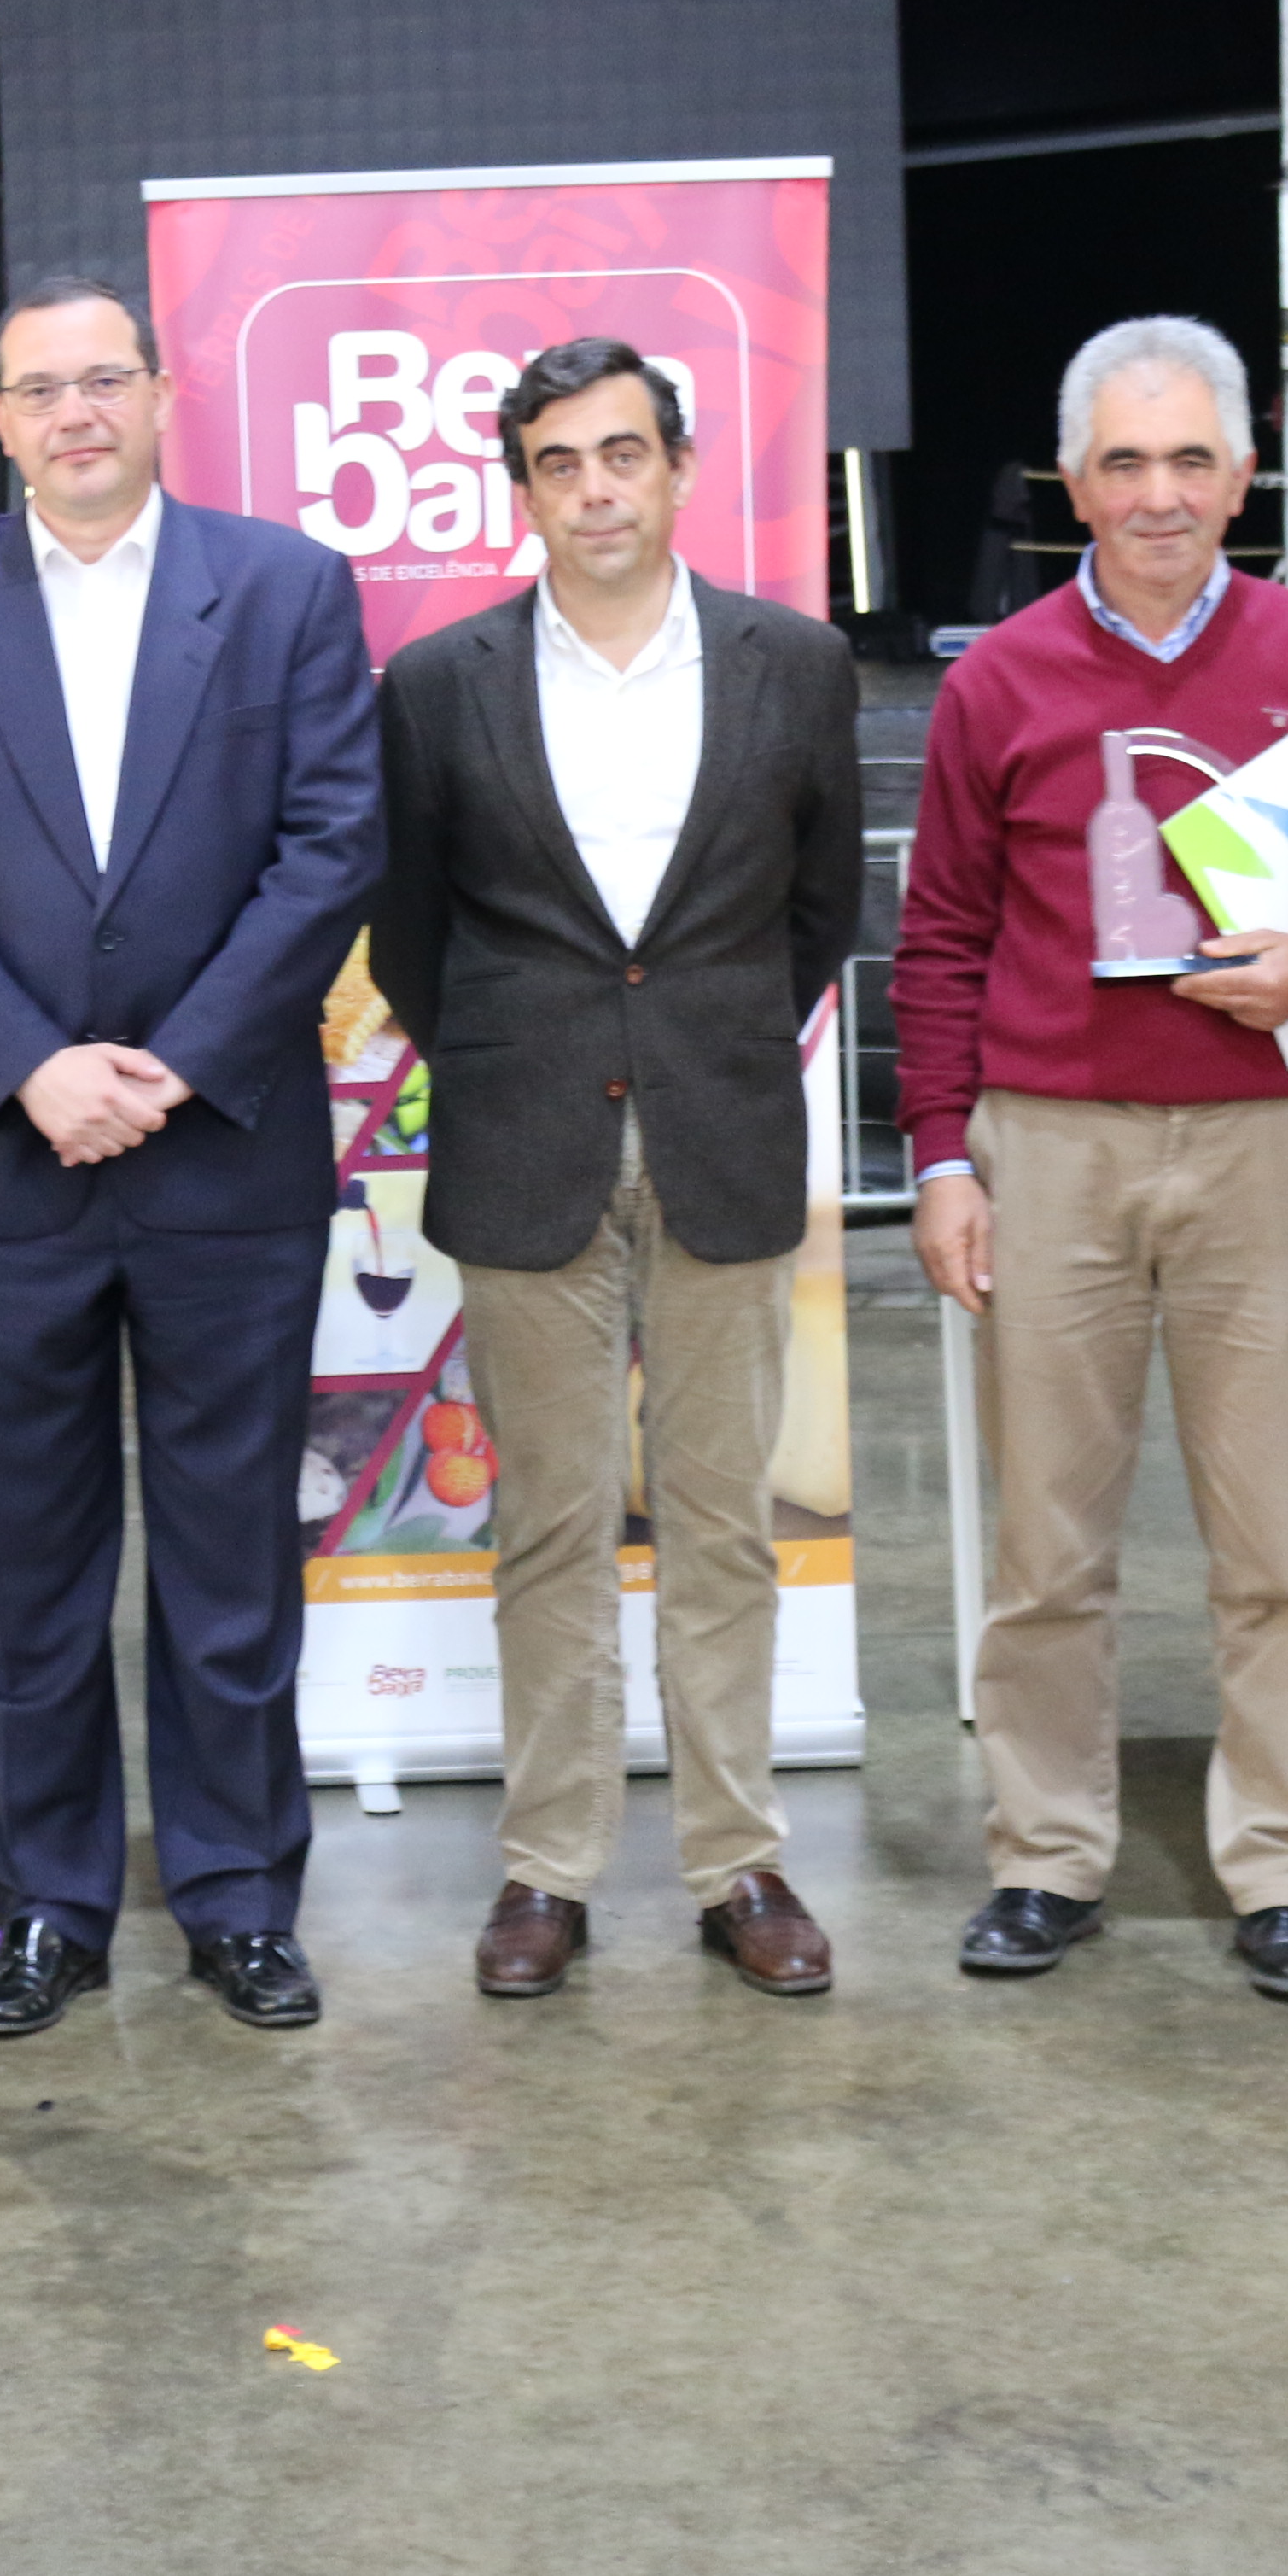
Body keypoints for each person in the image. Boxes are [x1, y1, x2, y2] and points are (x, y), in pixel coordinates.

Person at [0, 271, 382, 2038]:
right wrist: (29, 1071)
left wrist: (173, 1067)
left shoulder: (287, 589)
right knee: (28, 1564)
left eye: (104, 382)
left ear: (163, 398)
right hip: (11, 1164)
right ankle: (47, 1907)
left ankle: (234, 1898)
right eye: (37, 390)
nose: (75, 414)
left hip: (223, 1152)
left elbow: (327, 849)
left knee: (232, 1557)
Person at [895, 318, 1288, 2002]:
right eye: (1124, 463)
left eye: (1189, 459)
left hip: (1274, 1139)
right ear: (1071, 485)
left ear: (1244, 475)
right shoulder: (997, 680)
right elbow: (936, 942)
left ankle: (1285, 1866)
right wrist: (942, 1157)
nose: (1158, 495)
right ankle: (1048, 1855)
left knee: (1273, 1541)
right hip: (1049, 1146)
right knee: (1047, 1549)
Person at [370, 341, 864, 2001]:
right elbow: (414, 938)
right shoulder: (441, 687)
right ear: (521, 489)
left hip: (724, 1139)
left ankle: (740, 1866)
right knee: (552, 1526)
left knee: (723, 1524)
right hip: (525, 1150)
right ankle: (547, 1872)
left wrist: (698, 1046)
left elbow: (820, 916)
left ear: (678, 466)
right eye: (561, 462)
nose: (596, 489)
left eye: (624, 455)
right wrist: (523, 1061)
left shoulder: (794, 665)